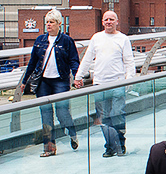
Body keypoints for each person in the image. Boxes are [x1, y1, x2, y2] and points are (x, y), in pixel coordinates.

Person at [74, 10, 135, 158]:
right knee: (104, 116)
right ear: (102, 22)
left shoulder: (123, 39)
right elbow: (88, 58)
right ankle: (109, 146)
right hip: (100, 83)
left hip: (118, 83)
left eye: (111, 19)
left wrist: (130, 80)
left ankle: (120, 143)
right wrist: (78, 76)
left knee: (118, 114)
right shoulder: (96, 38)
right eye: (106, 19)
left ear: (117, 22)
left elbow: (129, 61)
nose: (109, 22)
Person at [20, 9, 80, 157]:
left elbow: (73, 60)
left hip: (60, 81)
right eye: (47, 22)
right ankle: (49, 148)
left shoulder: (66, 41)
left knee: (62, 111)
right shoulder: (40, 40)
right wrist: (24, 81)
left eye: (51, 22)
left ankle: (72, 133)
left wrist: (77, 76)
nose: (48, 25)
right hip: (43, 82)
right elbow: (33, 62)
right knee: (46, 114)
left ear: (59, 24)